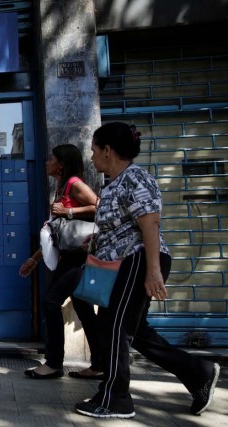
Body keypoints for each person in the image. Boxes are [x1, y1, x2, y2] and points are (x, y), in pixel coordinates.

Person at [74, 122, 220, 419]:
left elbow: (149, 223)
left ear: (108, 150)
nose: (91, 157)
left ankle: (116, 399)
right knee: (135, 331)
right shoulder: (113, 183)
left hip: (139, 260)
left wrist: (152, 271)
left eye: (93, 150)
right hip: (124, 263)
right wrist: (97, 239)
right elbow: (122, 225)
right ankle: (198, 373)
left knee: (114, 325)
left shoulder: (135, 177)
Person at [20, 144, 102, 380]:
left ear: (61, 164)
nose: (47, 162)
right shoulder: (62, 186)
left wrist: (68, 212)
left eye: (51, 158)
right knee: (84, 309)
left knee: (50, 302)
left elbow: (100, 207)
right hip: (71, 255)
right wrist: (35, 259)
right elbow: (56, 233)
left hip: (77, 258)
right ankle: (100, 364)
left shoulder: (74, 183)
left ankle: (54, 363)